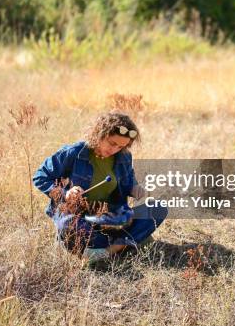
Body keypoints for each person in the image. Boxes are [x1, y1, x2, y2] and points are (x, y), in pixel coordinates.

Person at [33, 111, 168, 266]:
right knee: (67, 224)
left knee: (157, 208)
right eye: (112, 143)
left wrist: (135, 188)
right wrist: (66, 193)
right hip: (80, 217)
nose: (115, 149)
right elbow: (40, 177)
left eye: (121, 146)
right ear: (99, 133)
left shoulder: (124, 157)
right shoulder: (74, 153)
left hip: (110, 217)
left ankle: (108, 250)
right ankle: (131, 240)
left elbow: (129, 181)